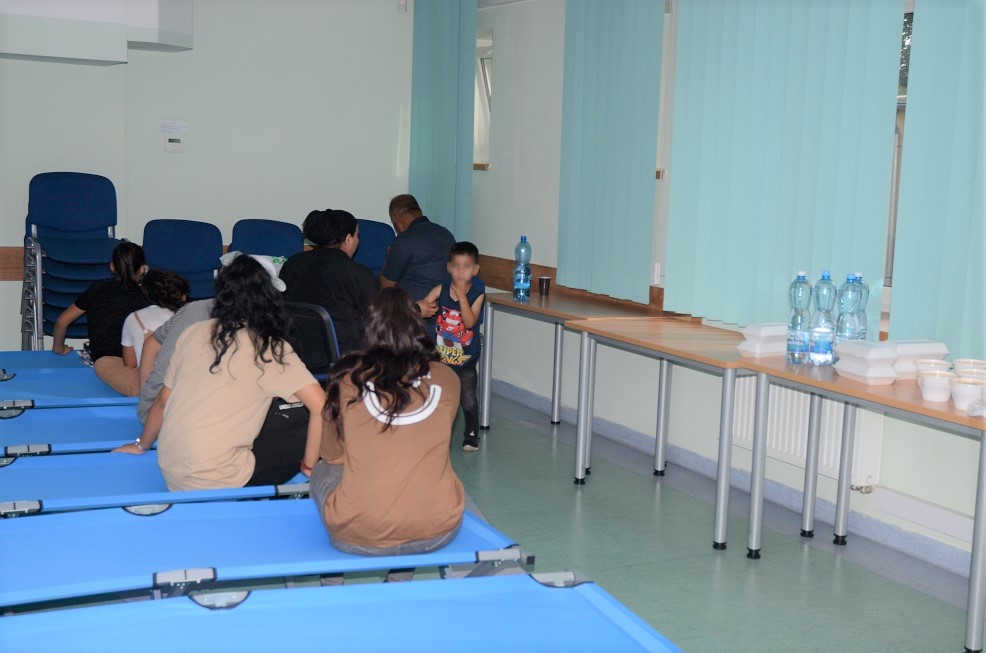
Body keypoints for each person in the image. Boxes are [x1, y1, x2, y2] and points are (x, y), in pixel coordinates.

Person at [115, 255, 324, 490]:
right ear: (270, 298)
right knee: (305, 420)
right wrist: (309, 466)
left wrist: (141, 446)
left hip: (172, 470)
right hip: (221, 478)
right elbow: (321, 407)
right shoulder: (270, 347)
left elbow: (162, 402)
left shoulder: (193, 332)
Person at [310, 287, 465, 580]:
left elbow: (331, 455)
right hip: (437, 533)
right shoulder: (448, 378)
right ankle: (399, 579)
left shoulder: (347, 380)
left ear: (369, 330)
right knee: (428, 469)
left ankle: (332, 583)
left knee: (322, 471)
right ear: (418, 328)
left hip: (357, 537)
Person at [418, 242, 486, 451]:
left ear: (475, 270)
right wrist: (423, 308)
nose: (460, 271)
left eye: (466, 266)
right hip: (441, 357)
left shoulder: (478, 292)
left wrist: (463, 297)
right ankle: (432, 432)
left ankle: (471, 434)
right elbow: (423, 306)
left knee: (468, 398)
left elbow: (470, 322)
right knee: (436, 395)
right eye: (456, 266)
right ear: (449, 267)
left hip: (465, 359)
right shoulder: (441, 289)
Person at [280, 209, 377, 354]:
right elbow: (376, 317)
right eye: (357, 235)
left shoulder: (291, 264)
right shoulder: (359, 274)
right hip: (344, 357)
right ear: (348, 239)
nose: (358, 240)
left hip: (296, 352)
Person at [52, 241, 149, 382]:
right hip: (132, 362)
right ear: (142, 269)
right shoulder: (147, 297)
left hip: (99, 360)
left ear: (112, 266)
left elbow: (62, 321)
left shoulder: (96, 290)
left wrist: (58, 348)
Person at [92, 270, 189, 397]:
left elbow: (130, 364)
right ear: (182, 295)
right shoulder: (190, 317)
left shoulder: (134, 318)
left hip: (149, 385)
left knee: (103, 362)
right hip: (185, 381)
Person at [380, 194, 455, 319]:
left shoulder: (404, 240)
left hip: (412, 315)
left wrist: (388, 258)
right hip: (447, 315)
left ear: (398, 222)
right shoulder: (446, 234)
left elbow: (386, 288)